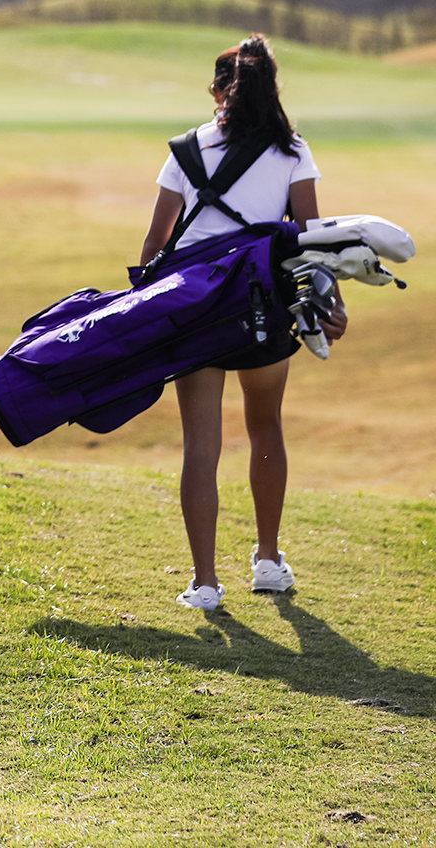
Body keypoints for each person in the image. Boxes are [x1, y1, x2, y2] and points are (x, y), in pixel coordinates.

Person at [140, 35, 344, 610]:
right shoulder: (292, 150)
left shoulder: (183, 150)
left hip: (195, 310)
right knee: (266, 429)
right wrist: (331, 304)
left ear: (216, 90)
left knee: (200, 447)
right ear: (270, 89)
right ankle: (268, 561)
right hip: (263, 309)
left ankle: (204, 583)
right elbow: (309, 238)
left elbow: (155, 245)